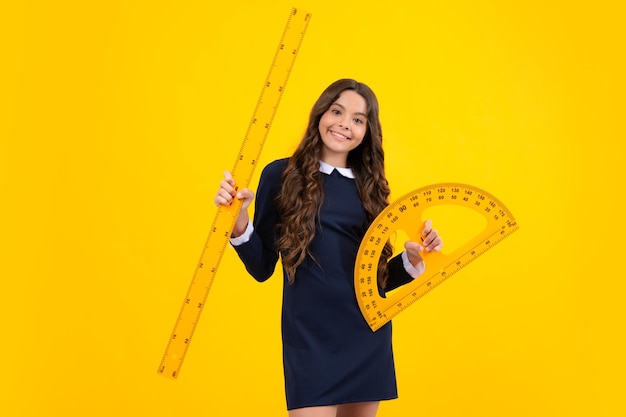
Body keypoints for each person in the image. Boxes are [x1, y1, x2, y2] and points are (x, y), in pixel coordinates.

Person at [214, 79, 443, 417]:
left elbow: (375, 279)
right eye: (337, 111)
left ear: (367, 131)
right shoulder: (280, 174)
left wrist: (411, 260)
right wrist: (238, 219)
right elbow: (262, 267)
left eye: (357, 119)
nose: (343, 124)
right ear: (320, 113)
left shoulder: (371, 188)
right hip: (309, 336)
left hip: (366, 332)